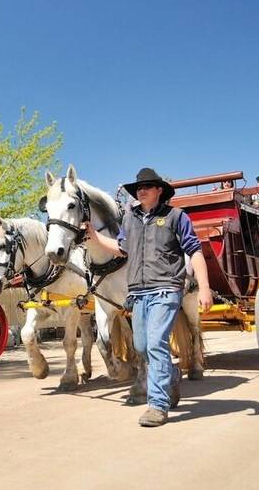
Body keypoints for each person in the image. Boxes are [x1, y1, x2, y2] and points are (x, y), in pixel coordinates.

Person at [83, 168, 212, 428]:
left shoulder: (176, 217)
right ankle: (172, 375)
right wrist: (95, 237)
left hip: (166, 289)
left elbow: (195, 252)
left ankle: (157, 405)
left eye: (147, 187)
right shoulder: (130, 219)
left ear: (159, 190)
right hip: (139, 294)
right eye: (138, 188)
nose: (141, 191)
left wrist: (205, 287)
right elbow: (121, 249)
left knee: (155, 345)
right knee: (142, 347)